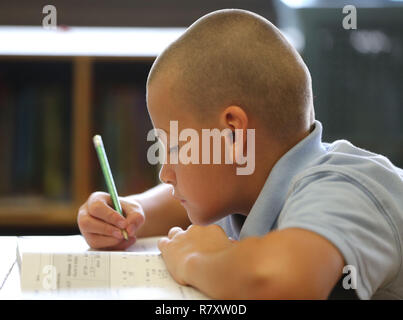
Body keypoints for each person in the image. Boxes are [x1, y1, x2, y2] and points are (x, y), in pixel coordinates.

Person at [77, 9, 403, 299]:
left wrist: (196, 260)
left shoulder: (344, 187)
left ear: (233, 133)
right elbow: (180, 202)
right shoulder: (244, 185)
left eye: (174, 147)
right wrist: (131, 213)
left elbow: (281, 283)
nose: (165, 172)